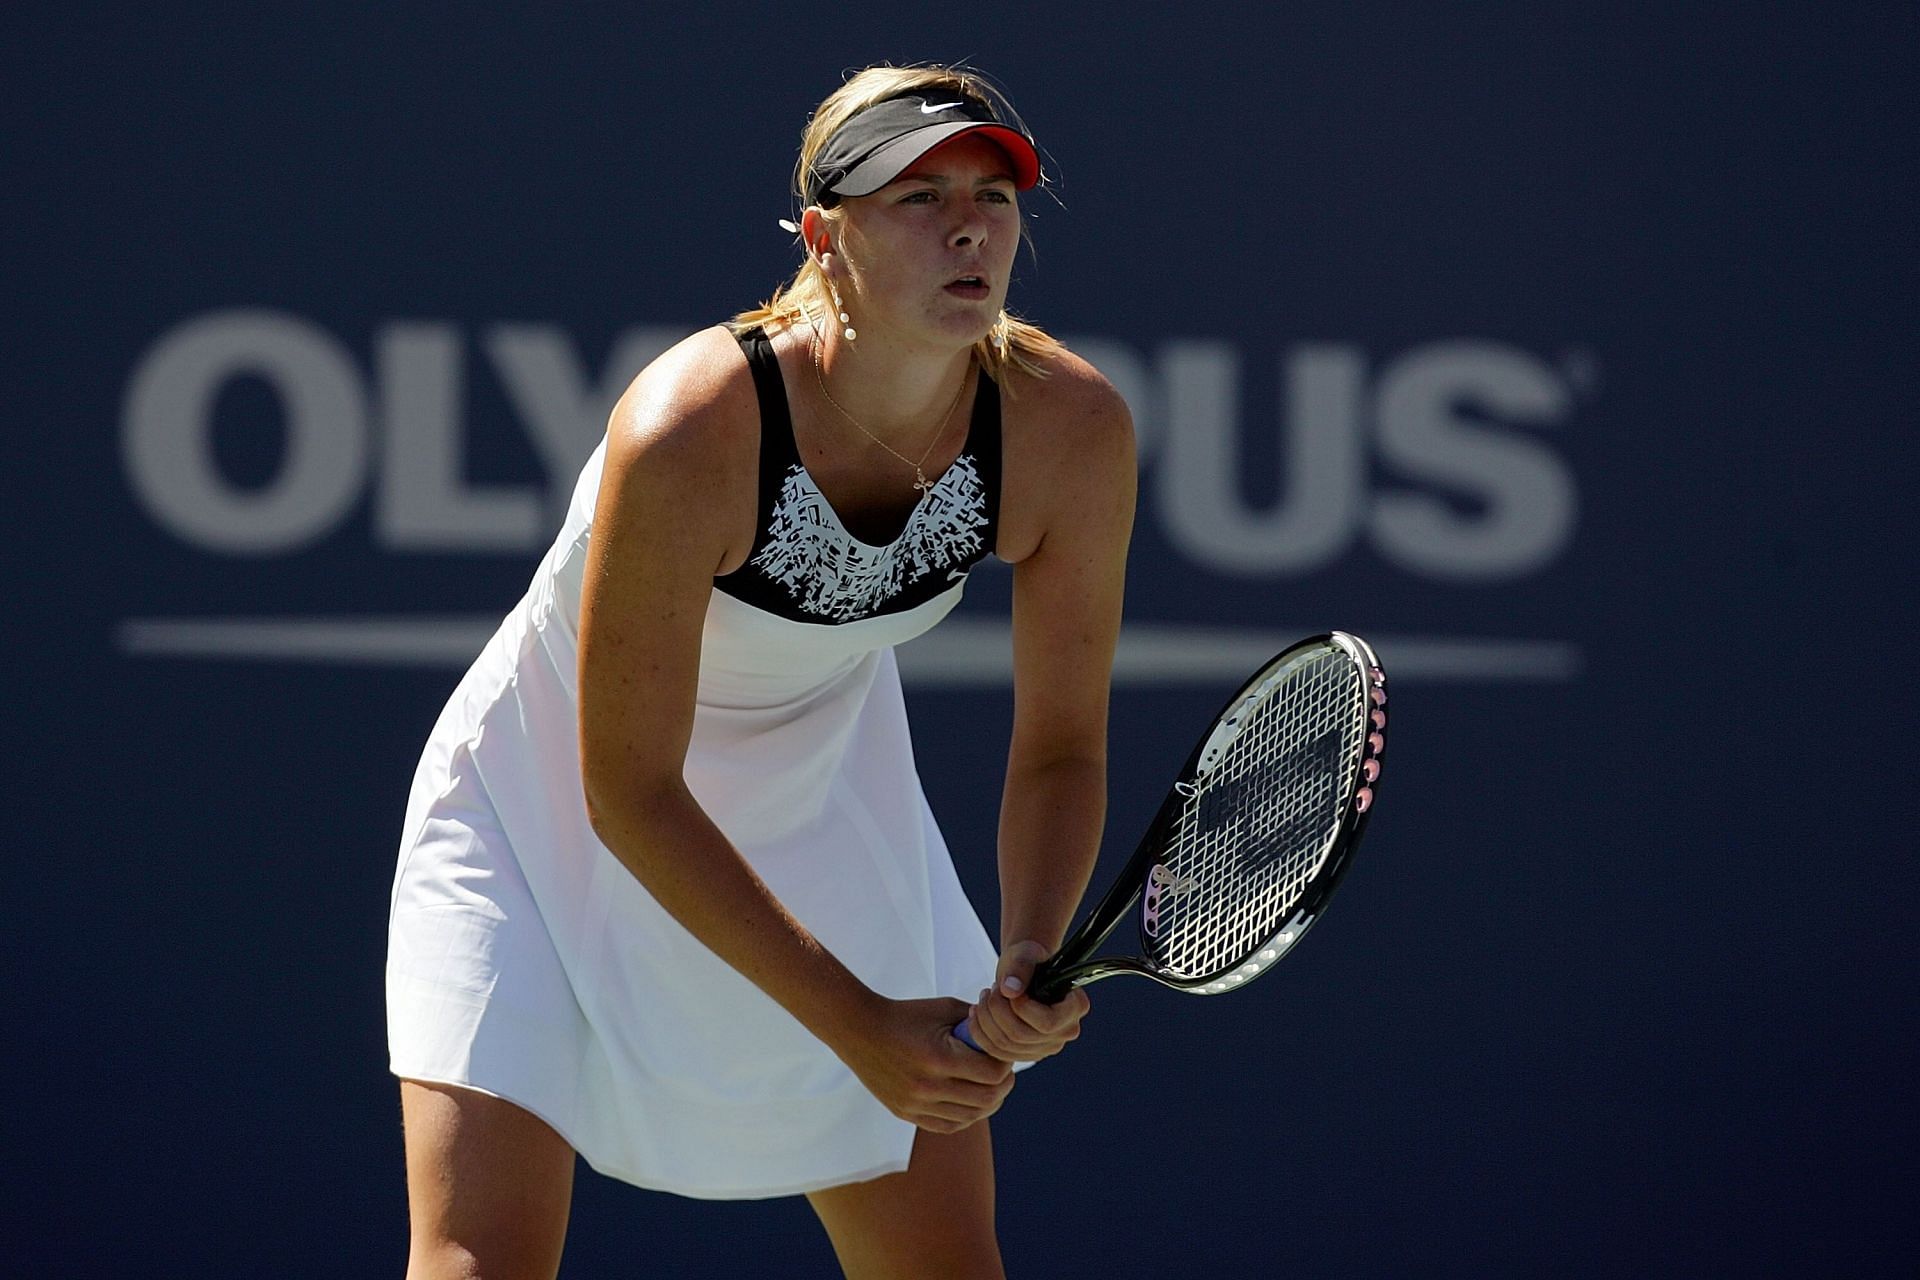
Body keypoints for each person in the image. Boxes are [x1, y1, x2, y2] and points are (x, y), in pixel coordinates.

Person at [385, 62, 1135, 1280]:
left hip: (828, 810)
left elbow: (1062, 745)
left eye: (993, 197)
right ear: (825, 239)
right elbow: (626, 787)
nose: (966, 226)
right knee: (477, 1263)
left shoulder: (1069, 428)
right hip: (548, 803)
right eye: (916, 195)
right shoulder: (692, 424)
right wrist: (852, 1024)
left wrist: (1028, 949)